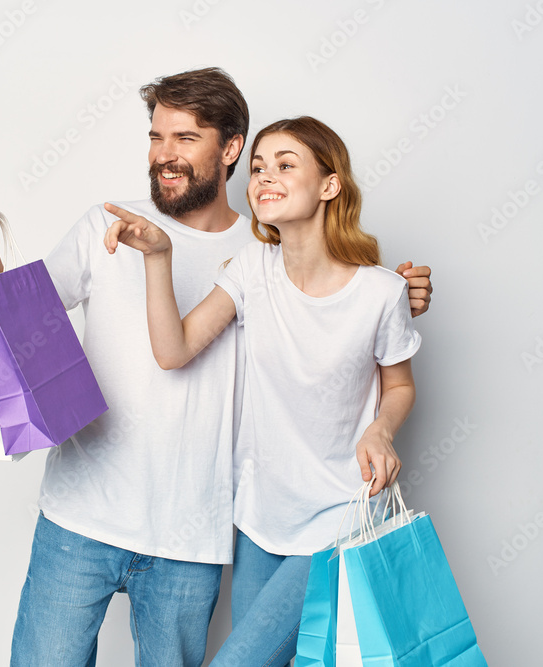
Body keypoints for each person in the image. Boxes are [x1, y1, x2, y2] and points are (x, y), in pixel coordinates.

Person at [0, 68, 432, 666]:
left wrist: (394, 293)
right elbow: (20, 322)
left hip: (191, 541)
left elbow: (331, 314)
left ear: (229, 150)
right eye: (155, 136)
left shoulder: (264, 256)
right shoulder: (107, 223)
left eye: (185, 138)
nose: (164, 155)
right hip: (79, 521)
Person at [103, 115, 419, 665]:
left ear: (329, 185)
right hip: (259, 519)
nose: (264, 176)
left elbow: (399, 385)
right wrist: (158, 257)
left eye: (285, 165)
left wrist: (381, 428)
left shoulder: (381, 292)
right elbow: (173, 351)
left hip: (340, 514)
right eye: (257, 167)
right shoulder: (252, 269)